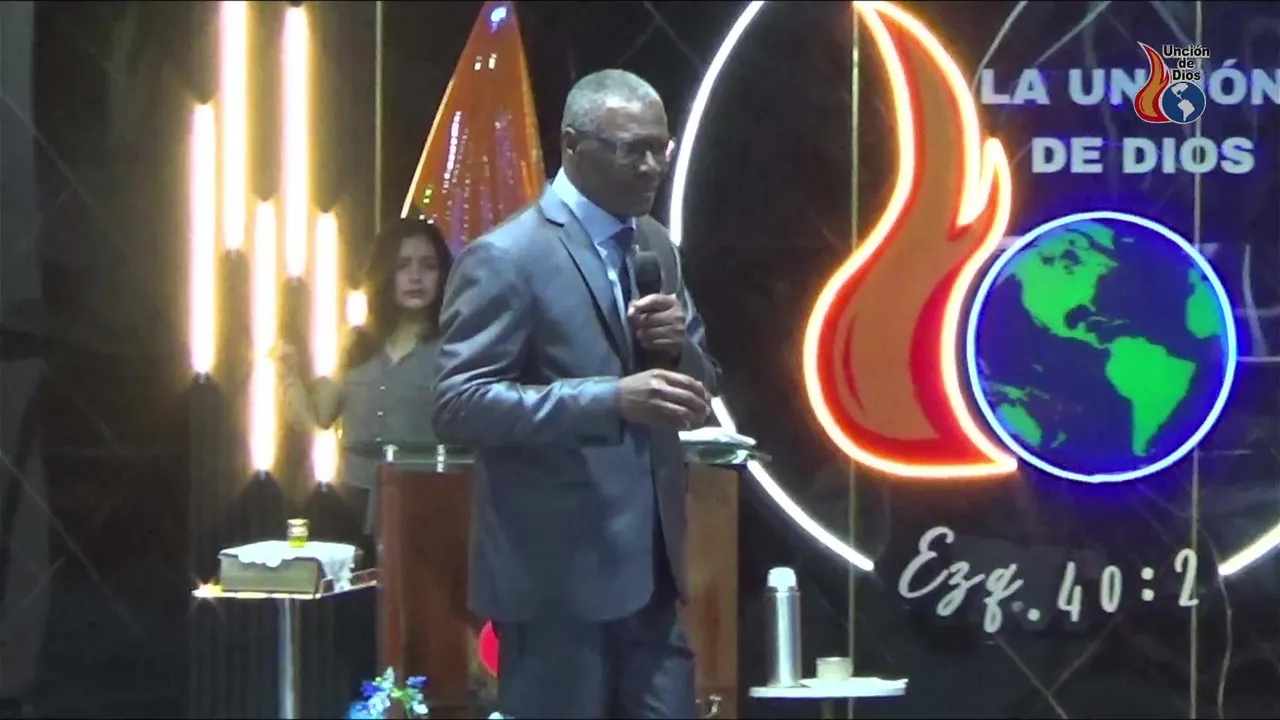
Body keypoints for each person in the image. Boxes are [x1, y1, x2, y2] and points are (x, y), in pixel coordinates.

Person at [433, 69, 720, 719]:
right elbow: (458, 403)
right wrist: (608, 399)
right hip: (554, 585)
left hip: (652, 573)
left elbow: (701, 387)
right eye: (630, 149)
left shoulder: (655, 246)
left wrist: (678, 348)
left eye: (660, 148)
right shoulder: (508, 256)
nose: (651, 167)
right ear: (572, 145)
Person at [277, 217, 454, 533]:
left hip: (425, 502)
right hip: (351, 503)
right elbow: (317, 417)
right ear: (385, 274)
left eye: (428, 266)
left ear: (442, 275)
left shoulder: (454, 347)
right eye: (403, 265)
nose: (416, 276)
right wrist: (289, 375)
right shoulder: (356, 343)